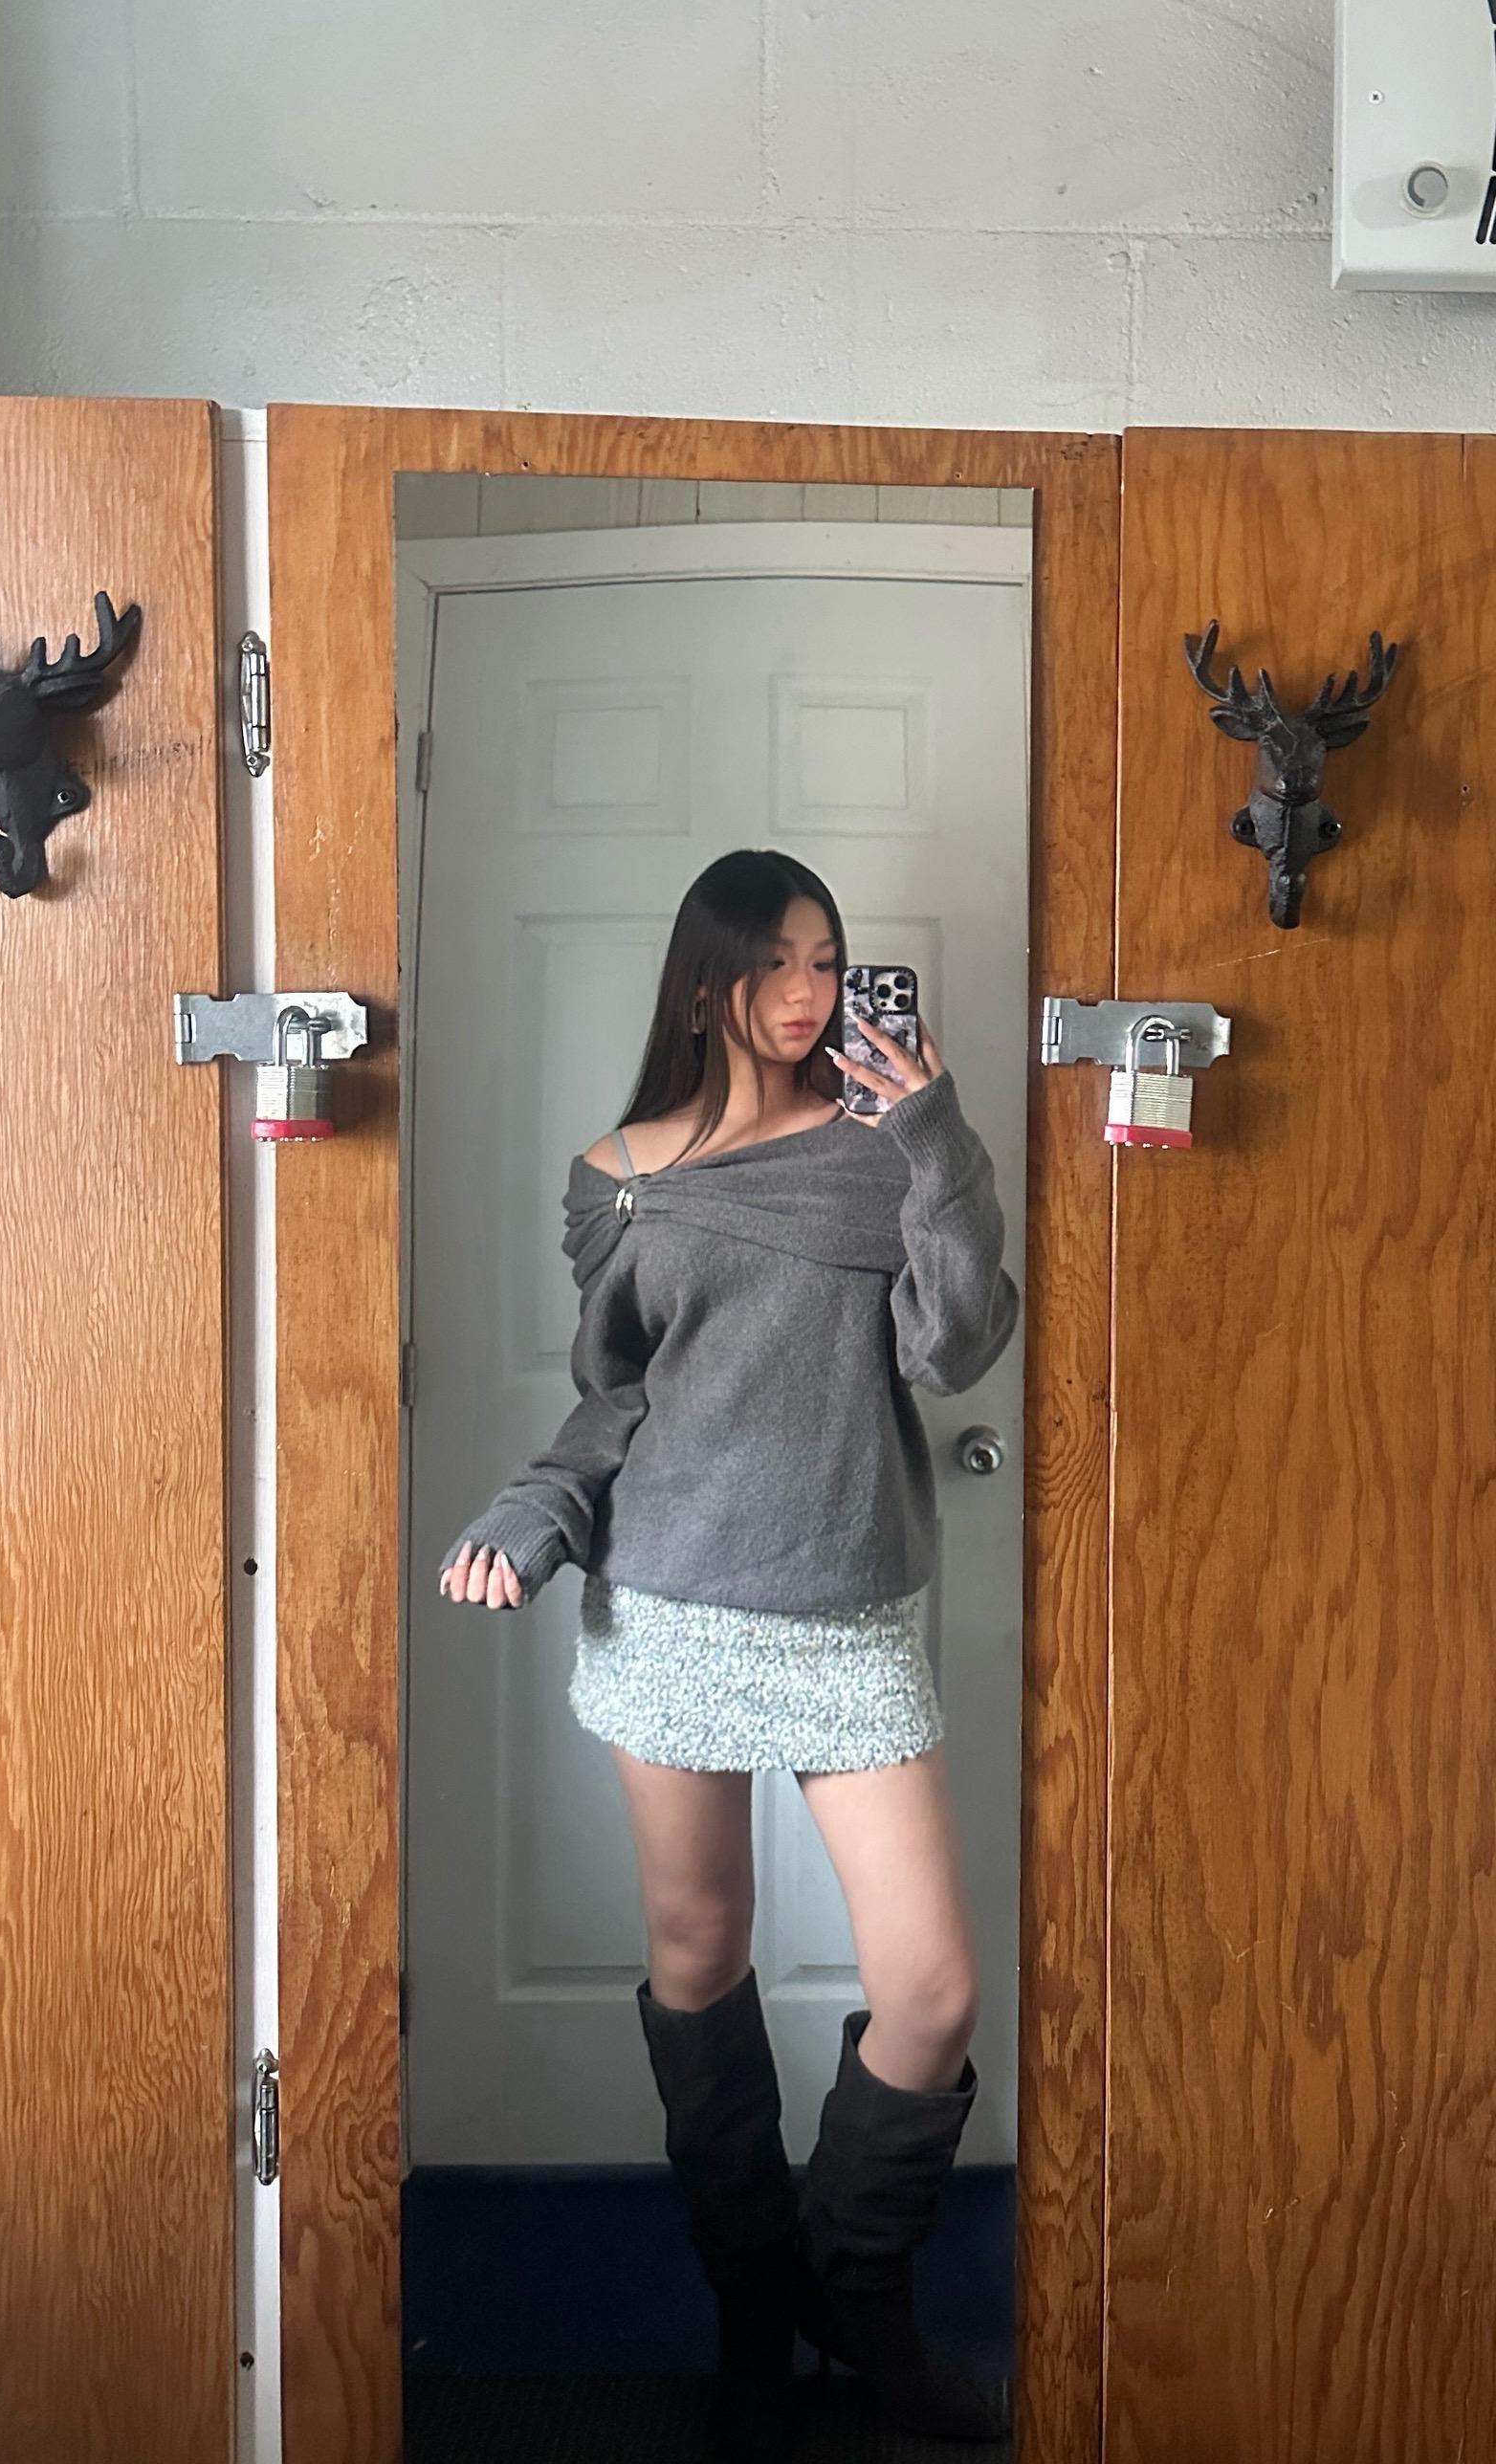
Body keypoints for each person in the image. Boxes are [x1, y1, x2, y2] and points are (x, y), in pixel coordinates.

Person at [438, 846, 1018, 2450]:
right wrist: (532, 1516)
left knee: (932, 1991)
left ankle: (856, 2298)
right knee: (700, 1960)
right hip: (672, 1607)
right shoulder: (617, 1176)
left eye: (826, 960)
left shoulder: (887, 1144)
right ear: (705, 983)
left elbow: (959, 1344)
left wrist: (933, 1128)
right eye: (772, 962)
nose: (806, 992)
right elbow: (616, 1400)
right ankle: (754, 2305)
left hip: (849, 1609)